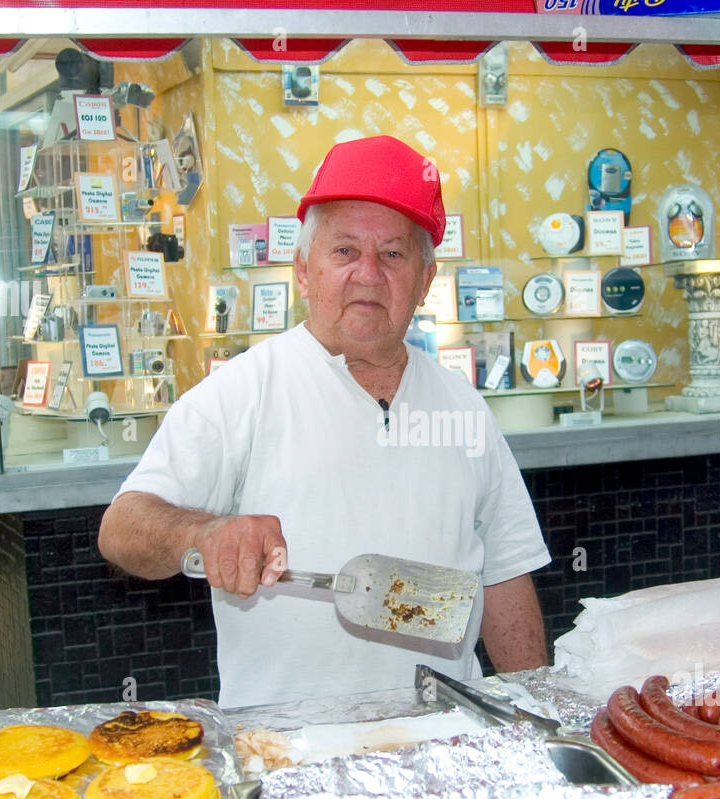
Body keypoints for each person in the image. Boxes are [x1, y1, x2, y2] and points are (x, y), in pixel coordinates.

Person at [98, 135, 550, 707]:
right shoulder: (245, 391)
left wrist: (536, 710)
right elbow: (121, 528)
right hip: (288, 747)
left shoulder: (463, 408)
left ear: (425, 281)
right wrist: (202, 534)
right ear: (304, 272)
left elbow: (504, 574)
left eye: (392, 254)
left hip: (447, 737)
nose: (368, 274)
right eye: (343, 252)